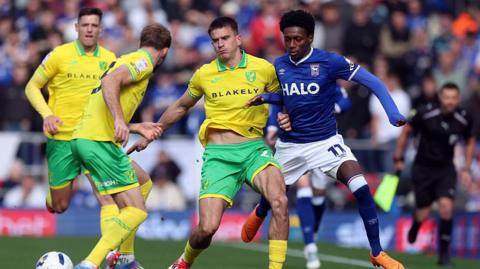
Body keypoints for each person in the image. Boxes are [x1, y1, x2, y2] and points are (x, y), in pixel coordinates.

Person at [243, 10, 405, 269]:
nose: (292, 45)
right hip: (290, 146)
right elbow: (285, 97)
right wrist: (266, 98)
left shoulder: (330, 62)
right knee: (275, 195)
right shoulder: (279, 66)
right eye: (288, 39)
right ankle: (260, 211)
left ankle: (376, 252)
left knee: (361, 187)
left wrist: (392, 112)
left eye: (298, 39)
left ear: (310, 38)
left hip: (326, 142)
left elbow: (372, 81)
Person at [129, 17, 289, 269]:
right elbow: (182, 105)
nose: (220, 44)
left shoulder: (263, 69)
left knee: (280, 201)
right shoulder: (205, 73)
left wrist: (283, 118)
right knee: (206, 228)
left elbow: (285, 97)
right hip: (218, 156)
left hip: (254, 150)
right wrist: (153, 131)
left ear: (238, 39)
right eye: (215, 40)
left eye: (225, 38)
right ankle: (185, 260)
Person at [24, 8, 152, 268]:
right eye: (85, 24)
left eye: (95, 25)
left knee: (114, 194)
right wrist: (47, 114)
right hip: (62, 138)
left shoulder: (110, 59)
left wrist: (130, 125)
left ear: (101, 29)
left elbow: (116, 100)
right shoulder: (60, 55)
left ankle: (114, 257)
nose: (90, 29)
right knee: (59, 205)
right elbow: (31, 87)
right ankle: (55, 199)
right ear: (77, 27)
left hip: (95, 138)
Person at [70, 23, 171, 269]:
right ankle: (90, 263)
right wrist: (119, 120)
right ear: (164, 52)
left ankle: (124, 258)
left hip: (86, 138)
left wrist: (135, 127)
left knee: (143, 182)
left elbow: (106, 95)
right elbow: (110, 83)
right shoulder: (144, 62)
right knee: (136, 211)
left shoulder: (125, 58)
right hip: (98, 141)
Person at [264, 86, 350, 269]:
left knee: (319, 192)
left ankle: (313, 231)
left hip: (320, 141)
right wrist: (272, 127)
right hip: (294, 142)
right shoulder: (289, 77)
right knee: (303, 187)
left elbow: (345, 100)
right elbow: (277, 102)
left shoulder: (325, 77)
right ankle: (310, 247)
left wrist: (330, 108)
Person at [393, 82, 475, 266]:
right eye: (446, 97)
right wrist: (398, 156)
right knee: (424, 211)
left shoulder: (464, 117)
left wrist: (467, 168)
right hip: (423, 168)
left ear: (458, 99)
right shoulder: (425, 112)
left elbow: (470, 140)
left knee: (446, 207)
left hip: (446, 169)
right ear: (440, 97)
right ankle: (416, 224)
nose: (450, 102)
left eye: (453, 98)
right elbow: (407, 132)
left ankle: (444, 255)